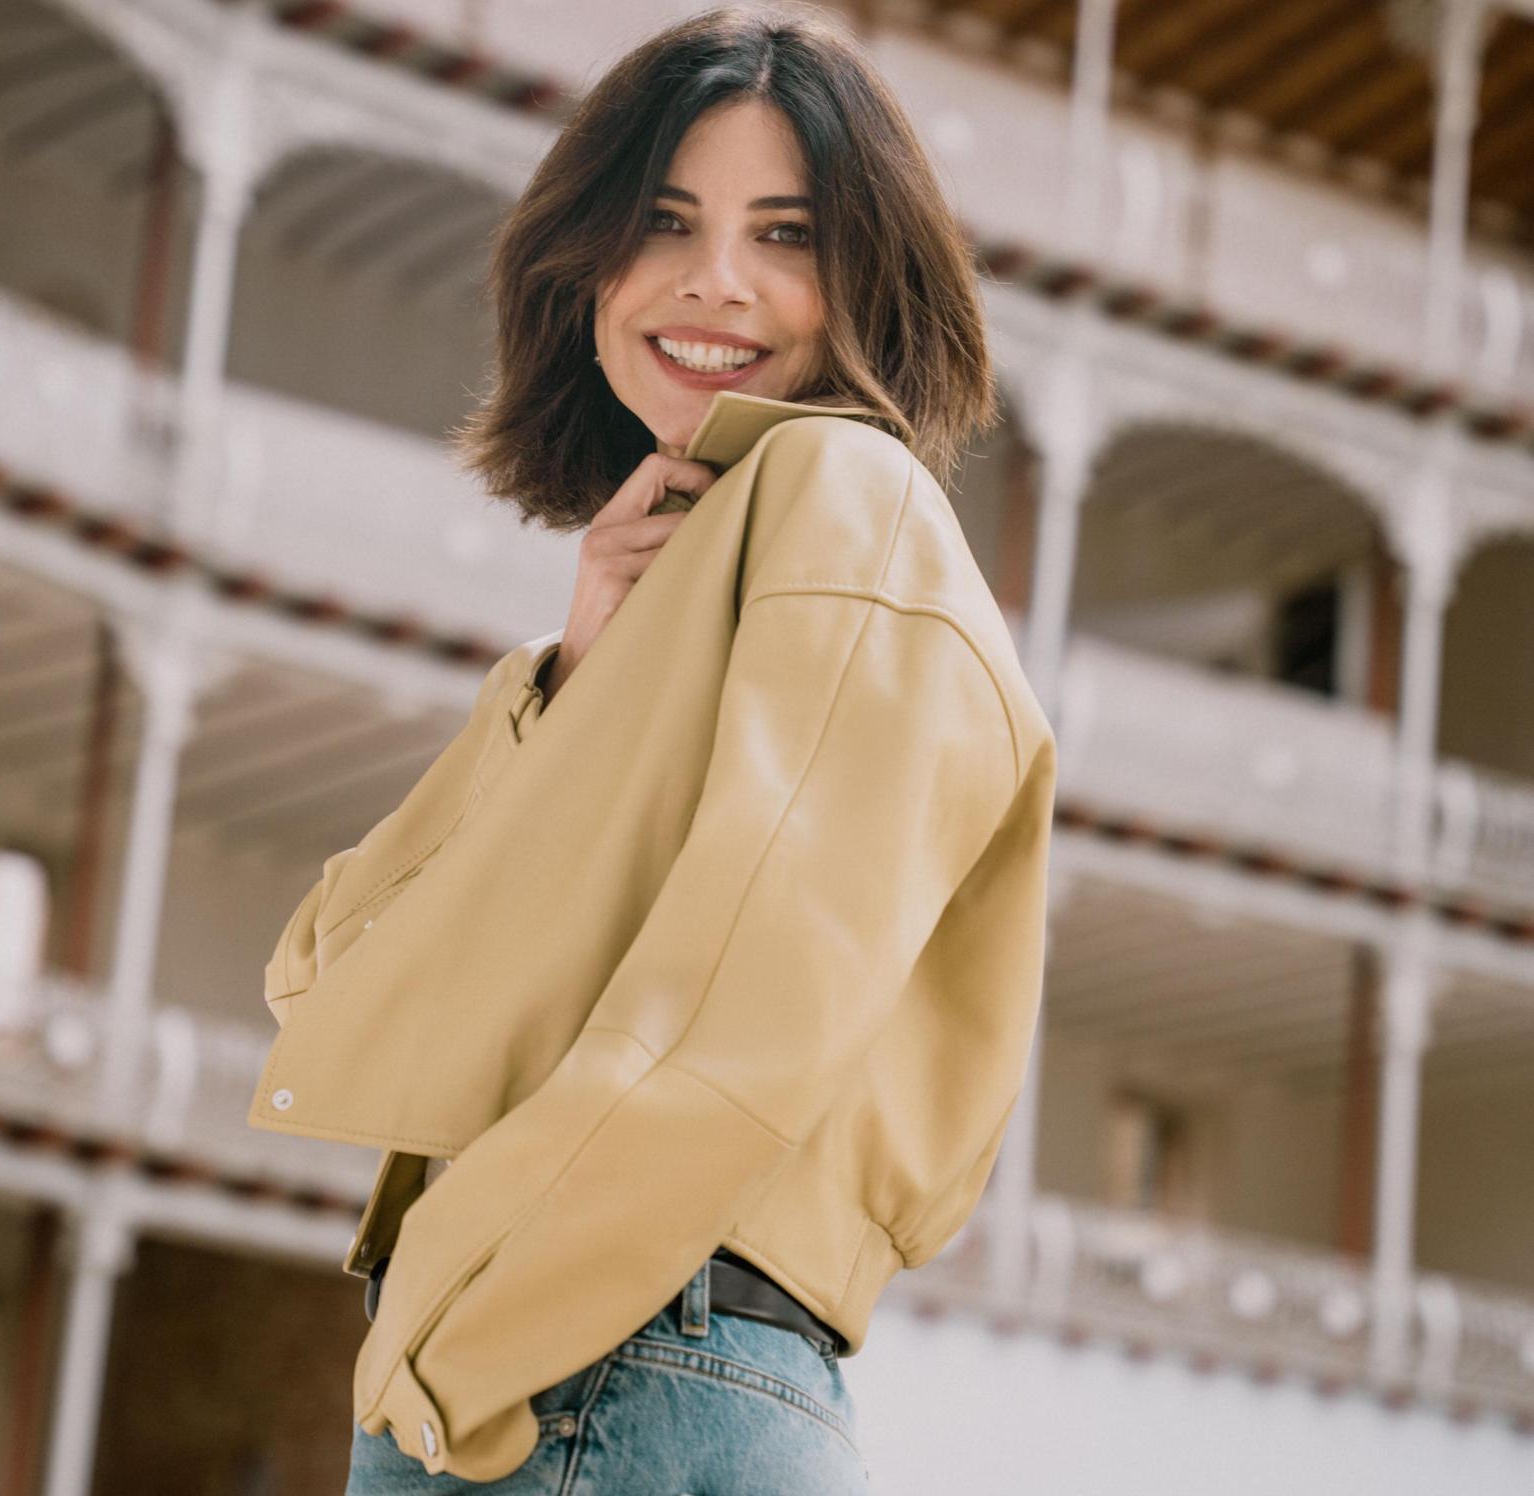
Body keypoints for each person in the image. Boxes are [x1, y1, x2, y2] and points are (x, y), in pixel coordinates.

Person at [258, 4, 1055, 1489]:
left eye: (786, 233)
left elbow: (745, 1022)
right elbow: (328, 975)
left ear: (865, 275)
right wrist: (574, 673)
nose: (714, 281)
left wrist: (450, 1352)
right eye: (667, 221)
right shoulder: (690, 575)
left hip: (597, 1366)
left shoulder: (842, 496)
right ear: (589, 259)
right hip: (613, 1366)